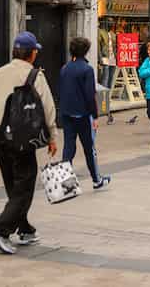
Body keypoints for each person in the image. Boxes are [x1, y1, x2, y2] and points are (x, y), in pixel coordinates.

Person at [0, 32, 58, 255]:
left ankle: (25, 229)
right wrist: (52, 136)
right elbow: (48, 108)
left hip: (0, 137)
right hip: (23, 139)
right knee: (24, 187)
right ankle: (0, 230)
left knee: (13, 186)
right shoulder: (35, 75)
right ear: (32, 53)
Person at [58, 36, 111, 190]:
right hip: (83, 114)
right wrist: (94, 116)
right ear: (86, 51)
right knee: (89, 148)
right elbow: (90, 95)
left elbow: (60, 91)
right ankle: (96, 179)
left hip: (67, 113)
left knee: (68, 147)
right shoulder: (87, 69)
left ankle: (66, 182)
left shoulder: (65, 68)